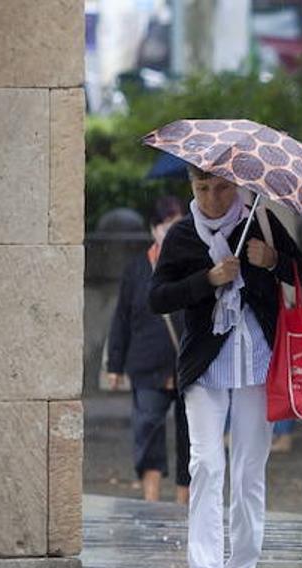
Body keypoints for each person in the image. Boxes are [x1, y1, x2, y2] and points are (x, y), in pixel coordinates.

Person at [149, 165, 302, 568]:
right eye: (203, 189)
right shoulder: (183, 236)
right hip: (205, 364)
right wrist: (209, 279)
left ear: (237, 186)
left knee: (247, 469)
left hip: (258, 360)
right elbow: (158, 296)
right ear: (191, 188)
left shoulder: (259, 222)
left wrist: (272, 261)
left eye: (222, 188)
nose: (214, 198)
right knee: (205, 464)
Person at [106, 196, 191, 505]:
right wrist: (114, 364)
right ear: (154, 229)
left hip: (188, 364)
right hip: (146, 362)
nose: (171, 233)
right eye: (167, 226)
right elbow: (122, 317)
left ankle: (185, 501)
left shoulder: (194, 265)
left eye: (178, 226)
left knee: (191, 436)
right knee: (148, 428)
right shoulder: (137, 269)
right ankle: (151, 500)